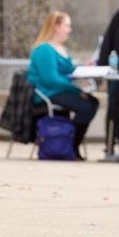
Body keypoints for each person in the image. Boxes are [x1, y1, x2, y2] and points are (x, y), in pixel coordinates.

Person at [26, 11, 99, 161]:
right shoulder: (44, 49)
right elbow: (50, 79)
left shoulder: (61, 49)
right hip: (47, 93)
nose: (69, 29)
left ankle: (70, 143)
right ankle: (70, 145)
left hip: (60, 90)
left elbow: (69, 71)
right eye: (67, 25)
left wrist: (85, 67)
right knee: (85, 106)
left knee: (93, 102)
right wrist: (77, 89)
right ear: (56, 27)